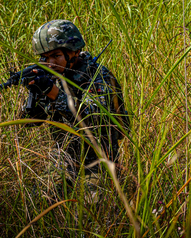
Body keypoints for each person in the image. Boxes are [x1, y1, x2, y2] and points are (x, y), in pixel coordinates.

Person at [20, 19, 128, 196]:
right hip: (63, 155)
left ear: (74, 51)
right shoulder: (52, 75)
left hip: (98, 157)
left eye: (56, 55)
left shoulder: (97, 75)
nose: (50, 62)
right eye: (45, 58)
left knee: (93, 208)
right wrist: (35, 94)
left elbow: (94, 121)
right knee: (41, 197)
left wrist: (54, 92)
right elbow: (30, 122)